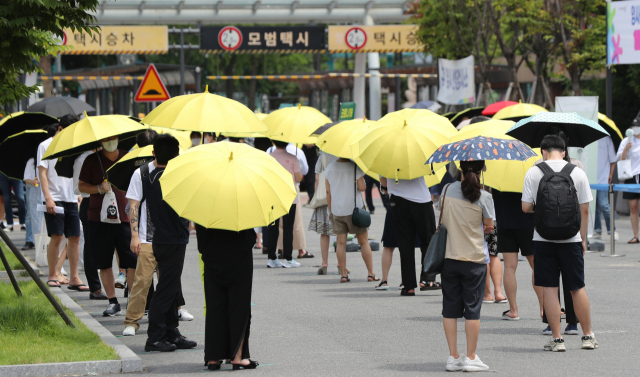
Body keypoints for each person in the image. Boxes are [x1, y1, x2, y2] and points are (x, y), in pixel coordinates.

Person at [522, 135, 598, 352]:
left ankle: (557, 340)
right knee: (577, 287)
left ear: (542, 151)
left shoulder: (534, 172)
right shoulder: (577, 172)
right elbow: (584, 210)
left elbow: (525, 208)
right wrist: (582, 238)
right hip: (571, 239)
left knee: (550, 288)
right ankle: (588, 336)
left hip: (543, 239)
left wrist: (544, 210)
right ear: (564, 152)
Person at [124, 131, 193, 337]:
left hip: (171, 238)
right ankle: (132, 321)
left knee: (170, 282)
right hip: (147, 238)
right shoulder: (142, 173)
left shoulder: (180, 172)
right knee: (142, 282)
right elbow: (134, 205)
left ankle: (174, 316)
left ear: (153, 151)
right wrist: (135, 236)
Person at [143, 134, 197, 352]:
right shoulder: (177, 177)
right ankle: (155, 337)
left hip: (162, 238)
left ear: (154, 152)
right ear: (176, 154)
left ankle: (171, 332)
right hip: (173, 238)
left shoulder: (150, 175)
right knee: (166, 289)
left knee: (171, 287)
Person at [440, 160, 494, 372]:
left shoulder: (446, 190)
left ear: (460, 169)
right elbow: (489, 225)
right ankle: (471, 357)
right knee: (473, 310)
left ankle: (453, 357)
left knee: (450, 309)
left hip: (449, 256)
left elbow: (442, 217)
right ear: (482, 172)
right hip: (475, 259)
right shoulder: (486, 197)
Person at [79, 135, 137, 316]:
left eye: (113, 138)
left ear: (119, 138)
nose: (110, 141)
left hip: (126, 216)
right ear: (100, 141)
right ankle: (113, 301)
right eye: (106, 139)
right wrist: (98, 188)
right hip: (99, 218)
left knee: (132, 261)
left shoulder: (128, 158)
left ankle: (134, 300)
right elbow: (81, 186)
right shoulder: (91, 160)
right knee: (103, 261)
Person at [37, 114, 87, 291]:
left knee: (75, 237)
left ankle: (74, 277)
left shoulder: (74, 147)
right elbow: (42, 173)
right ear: (60, 129)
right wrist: (48, 198)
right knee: (57, 236)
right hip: (54, 198)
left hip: (71, 197)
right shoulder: (45, 145)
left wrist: (79, 193)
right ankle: (52, 275)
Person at [198, 225, 258, 370]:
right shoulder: (241, 201)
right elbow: (249, 235)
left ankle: (213, 356)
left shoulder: (205, 202)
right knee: (239, 304)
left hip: (212, 251)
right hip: (238, 252)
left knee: (215, 305)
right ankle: (238, 356)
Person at [380, 175, 439, 296]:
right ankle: (427, 279)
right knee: (428, 241)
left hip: (397, 201)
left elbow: (384, 184)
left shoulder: (386, 156)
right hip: (421, 200)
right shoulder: (418, 155)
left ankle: (408, 286)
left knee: (405, 244)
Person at [324, 157, 378, 283]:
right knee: (364, 242)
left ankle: (343, 274)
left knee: (340, 243)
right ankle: (370, 274)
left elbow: (328, 191)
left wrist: (331, 210)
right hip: (354, 210)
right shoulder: (354, 166)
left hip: (337, 210)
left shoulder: (330, 168)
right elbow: (362, 187)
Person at [494, 188, 542, 321]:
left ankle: (513, 309)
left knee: (509, 267)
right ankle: (544, 308)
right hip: (528, 222)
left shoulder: (498, 172)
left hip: (505, 222)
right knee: (536, 266)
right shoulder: (527, 171)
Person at [267, 142, 311, 259]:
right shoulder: (293, 157)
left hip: (273, 195)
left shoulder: (269, 157)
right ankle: (288, 257)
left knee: (273, 228)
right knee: (288, 227)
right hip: (290, 196)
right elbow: (298, 178)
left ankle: (272, 257)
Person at [74, 149, 106, 300]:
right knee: (91, 246)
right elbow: (77, 188)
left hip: (108, 203)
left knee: (113, 244)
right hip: (90, 203)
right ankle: (95, 287)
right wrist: (98, 188)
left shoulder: (110, 156)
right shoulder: (83, 159)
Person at [309, 151, 338, 275]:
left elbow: (317, 180)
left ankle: (324, 263)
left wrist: (316, 197)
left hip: (323, 199)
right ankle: (341, 263)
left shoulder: (322, 157)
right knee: (340, 233)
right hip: (338, 198)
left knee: (324, 232)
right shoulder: (342, 155)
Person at [617, 122, 640, 243]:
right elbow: (620, 159)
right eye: (634, 126)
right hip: (631, 175)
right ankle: (636, 235)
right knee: (633, 207)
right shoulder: (626, 140)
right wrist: (626, 149)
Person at [593, 136, 617, 240]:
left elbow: (613, 159)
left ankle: (612, 230)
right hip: (590, 178)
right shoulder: (589, 138)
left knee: (604, 205)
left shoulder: (606, 139)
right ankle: (597, 230)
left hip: (603, 179)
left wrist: (611, 174)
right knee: (593, 207)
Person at [22, 157, 42, 250]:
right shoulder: (31, 161)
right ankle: (29, 240)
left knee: (42, 216)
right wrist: (32, 181)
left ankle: (42, 240)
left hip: (44, 189)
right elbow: (26, 178)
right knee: (30, 214)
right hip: (32, 189)